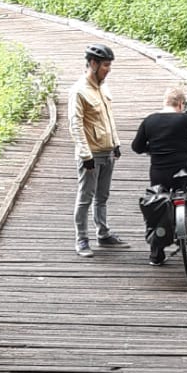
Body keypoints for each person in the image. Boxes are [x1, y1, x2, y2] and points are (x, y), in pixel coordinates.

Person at [131, 88, 187, 263]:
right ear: (180, 104)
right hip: (184, 171)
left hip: (159, 173)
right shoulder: (185, 119)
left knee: (156, 205)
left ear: (165, 102)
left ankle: (156, 253)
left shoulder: (149, 121)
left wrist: (153, 149)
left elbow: (136, 147)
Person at [67, 44, 124, 257]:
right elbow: (75, 125)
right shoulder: (79, 91)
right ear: (93, 63)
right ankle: (81, 239)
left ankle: (103, 233)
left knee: (103, 196)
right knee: (85, 197)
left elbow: (108, 118)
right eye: (105, 65)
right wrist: (85, 155)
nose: (108, 69)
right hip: (91, 155)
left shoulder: (103, 87)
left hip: (107, 151)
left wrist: (116, 143)